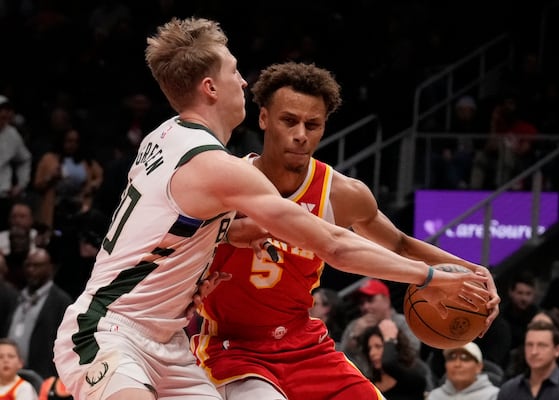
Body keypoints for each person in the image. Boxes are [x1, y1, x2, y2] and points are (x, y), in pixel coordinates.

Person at [53, 18, 494, 400]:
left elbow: (163, 223)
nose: (243, 81)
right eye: (234, 71)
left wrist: (221, 234)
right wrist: (432, 277)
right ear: (211, 87)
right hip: (115, 330)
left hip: (173, 342)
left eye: (313, 124)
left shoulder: (163, 136)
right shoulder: (222, 169)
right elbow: (335, 245)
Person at [189, 61, 499, 400]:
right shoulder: (225, 180)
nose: (301, 135)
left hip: (303, 342)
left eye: (313, 124)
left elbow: (399, 244)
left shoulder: (341, 193)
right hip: (235, 346)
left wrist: (473, 271)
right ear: (264, 118)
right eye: (289, 121)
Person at [4, 248, 72, 378]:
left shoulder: (61, 301)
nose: (31, 270)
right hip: (11, 375)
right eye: (28, 265)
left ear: (50, 268)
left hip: (42, 376)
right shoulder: (17, 298)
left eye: (37, 266)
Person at [340, 278, 421, 374]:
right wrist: (354, 337)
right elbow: (344, 361)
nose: (365, 307)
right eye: (361, 303)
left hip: (406, 376)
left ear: (386, 300)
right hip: (371, 382)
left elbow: (413, 352)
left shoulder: (402, 322)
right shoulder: (354, 326)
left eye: (370, 300)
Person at [497, 320, 559, 399]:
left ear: (557, 350)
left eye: (542, 345)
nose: (534, 352)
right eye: (529, 345)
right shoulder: (509, 389)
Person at [360, 319, 431, 400]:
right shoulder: (370, 385)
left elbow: (388, 363)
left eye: (378, 346)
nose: (372, 353)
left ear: (393, 347)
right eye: (369, 349)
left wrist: (389, 339)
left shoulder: (413, 377)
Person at [0, 96, 32, 231]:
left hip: (2, 195)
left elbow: (25, 159)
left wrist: (21, 184)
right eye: (2, 110)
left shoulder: (12, 134)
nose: (5, 114)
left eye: (8, 111)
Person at [427, 342, 499, 400]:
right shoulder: (434, 396)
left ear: (479, 367)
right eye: (451, 358)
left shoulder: (494, 395)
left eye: (465, 358)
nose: (457, 364)